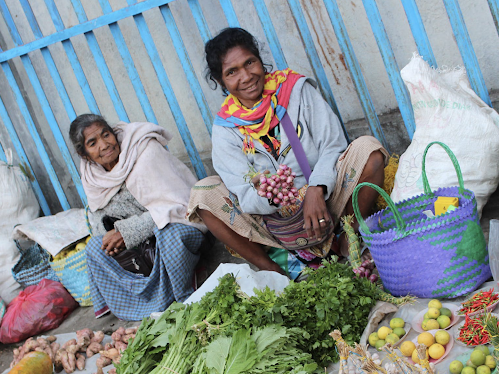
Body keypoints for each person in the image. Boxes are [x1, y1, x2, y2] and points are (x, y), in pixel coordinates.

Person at [187, 27, 388, 279]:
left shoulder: (296, 90)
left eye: (250, 62)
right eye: (232, 72)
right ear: (221, 82)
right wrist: (270, 197)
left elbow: (333, 144)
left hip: (328, 202)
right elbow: (246, 197)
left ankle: (348, 240)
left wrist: (316, 188)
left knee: (369, 151)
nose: (246, 76)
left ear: (261, 61)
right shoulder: (226, 129)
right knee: (202, 196)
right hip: (277, 225)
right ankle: (278, 271)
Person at [70, 114, 207, 321]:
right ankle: (141, 305)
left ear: (114, 133)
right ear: (85, 155)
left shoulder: (145, 152)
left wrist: (128, 232)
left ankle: (182, 295)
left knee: (170, 235)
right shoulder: (92, 176)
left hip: (177, 226)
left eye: (106, 135)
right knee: (94, 248)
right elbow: (99, 220)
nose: (104, 144)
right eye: (93, 143)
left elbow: (180, 204)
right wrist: (112, 240)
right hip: (140, 249)